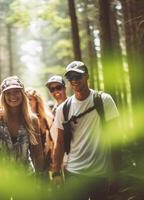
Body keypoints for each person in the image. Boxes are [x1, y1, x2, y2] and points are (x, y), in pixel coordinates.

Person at [51, 61, 120, 200]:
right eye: (71, 78)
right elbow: (59, 143)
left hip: (100, 173)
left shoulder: (104, 100)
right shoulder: (63, 109)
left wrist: (116, 172)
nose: (74, 80)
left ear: (87, 76)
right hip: (73, 172)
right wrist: (56, 173)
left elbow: (115, 138)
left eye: (78, 76)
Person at [0, 76, 44, 200]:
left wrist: (40, 178)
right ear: (3, 96)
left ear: (22, 94)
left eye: (16, 92)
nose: (12, 96)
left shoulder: (32, 120)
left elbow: (38, 153)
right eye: (8, 93)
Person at [25, 87, 54, 173]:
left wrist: (48, 155)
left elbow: (49, 140)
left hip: (42, 157)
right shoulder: (22, 118)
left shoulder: (44, 119)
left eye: (30, 99)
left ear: (36, 101)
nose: (28, 102)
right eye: (26, 99)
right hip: (26, 158)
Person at [45, 75, 68, 143]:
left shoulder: (72, 105)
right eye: (52, 89)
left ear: (64, 88)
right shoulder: (52, 111)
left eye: (58, 88)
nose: (55, 91)